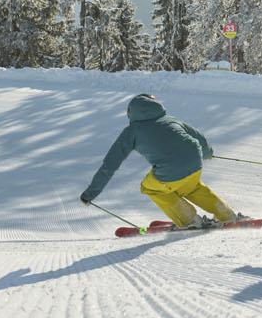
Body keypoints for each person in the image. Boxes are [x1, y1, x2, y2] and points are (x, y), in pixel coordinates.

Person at [80, 94, 245, 228]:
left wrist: (90, 194)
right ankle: (227, 215)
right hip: (195, 164)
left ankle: (189, 219)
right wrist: (208, 153)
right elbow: (199, 138)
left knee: (150, 187)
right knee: (192, 187)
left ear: (131, 113)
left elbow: (109, 165)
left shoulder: (131, 132)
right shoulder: (170, 120)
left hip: (170, 171)